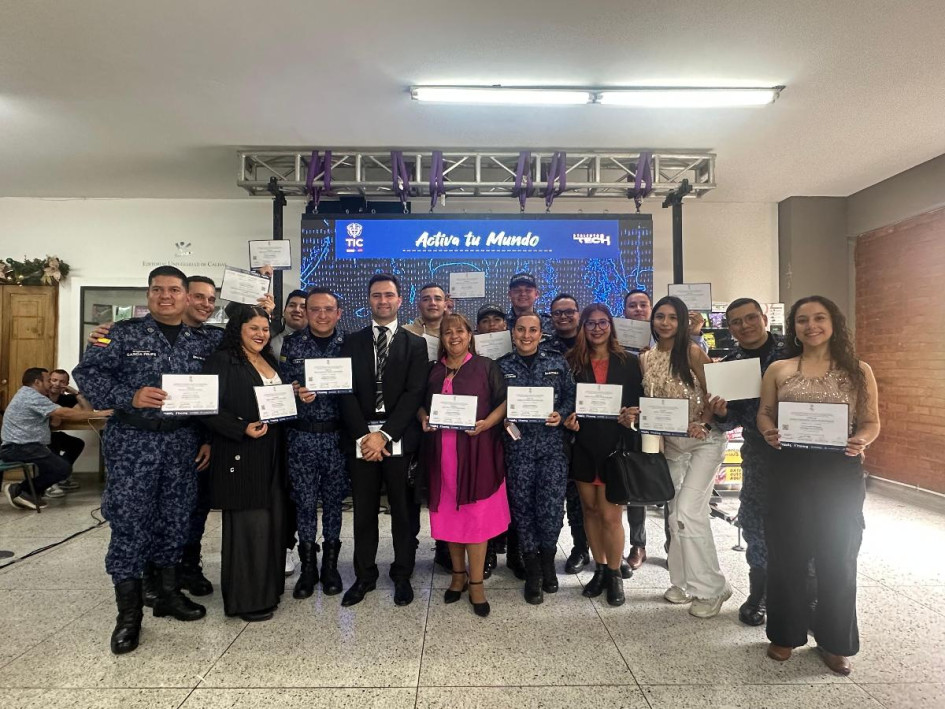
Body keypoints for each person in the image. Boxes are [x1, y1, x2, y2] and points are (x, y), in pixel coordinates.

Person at [73, 265, 216, 654]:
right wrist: (129, 395)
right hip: (134, 442)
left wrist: (206, 439)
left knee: (176, 519)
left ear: (186, 297)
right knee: (130, 524)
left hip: (184, 443)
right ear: (148, 295)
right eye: (157, 290)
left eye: (173, 290)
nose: (165, 296)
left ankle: (168, 595)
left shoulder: (204, 342)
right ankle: (129, 616)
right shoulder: (118, 335)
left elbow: (215, 392)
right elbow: (87, 375)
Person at [757, 295, 880, 676]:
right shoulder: (779, 368)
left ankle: (835, 641)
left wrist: (861, 440)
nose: (811, 326)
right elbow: (764, 413)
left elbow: (871, 421)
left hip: (838, 472)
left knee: (838, 555)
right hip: (787, 469)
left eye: (819, 318)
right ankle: (784, 634)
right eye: (802, 320)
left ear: (833, 323)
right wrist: (768, 432)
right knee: (786, 553)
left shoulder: (858, 371)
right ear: (792, 327)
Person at [339, 274, 428, 607]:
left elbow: (413, 392)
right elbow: (344, 392)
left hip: (397, 438)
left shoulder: (415, 344)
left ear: (400, 300)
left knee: (402, 510)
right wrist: (366, 437)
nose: (383, 301)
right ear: (369, 300)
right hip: (361, 439)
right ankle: (365, 575)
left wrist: (385, 435)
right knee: (363, 512)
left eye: (389, 295)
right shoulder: (350, 342)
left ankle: (402, 574)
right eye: (376, 295)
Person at [641, 295, 730, 619]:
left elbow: (714, 393)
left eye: (672, 317)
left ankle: (713, 588)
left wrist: (704, 421)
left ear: (681, 322)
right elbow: (652, 403)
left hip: (704, 443)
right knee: (674, 514)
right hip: (672, 447)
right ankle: (682, 582)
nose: (664, 323)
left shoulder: (692, 352)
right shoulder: (647, 357)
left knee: (689, 512)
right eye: (660, 316)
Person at [200, 305, 289, 622]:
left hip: (274, 451)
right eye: (254, 328)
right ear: (238, 329)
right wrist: (240, 428)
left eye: (265, 329)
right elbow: (206, 406)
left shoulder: (268, 359)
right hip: (242, 452)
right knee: (249, 527)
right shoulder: (222, 360)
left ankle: (268, 590)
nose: (261, 334)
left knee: (271, 523)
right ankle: (247, 600)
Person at [420, 313, 510, 618]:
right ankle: (457, 575)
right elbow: (421, 404)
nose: (454, 336)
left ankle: (476, 582)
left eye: (460, 331)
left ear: (470, 334)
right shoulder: (434, 371)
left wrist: (486, 424)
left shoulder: (486, 367)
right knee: (450, 518)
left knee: (475, 520)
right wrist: (423, 418)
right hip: (442, 455)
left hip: (476, 451)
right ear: (441, 338)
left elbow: (504, 402)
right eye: (448, 332)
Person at [706, 298, 789, 627]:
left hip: (801, 453)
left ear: (765, 318)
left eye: (751, 317)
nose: (745, 325)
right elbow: (731, 422)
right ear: (729, 327)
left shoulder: (792, 353)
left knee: (802, 522)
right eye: (736, 321)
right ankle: (761, 593)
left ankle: (808, 596)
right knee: (755, 523)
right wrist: (723, 412)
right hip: (759, 453)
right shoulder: (731, 363)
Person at [564, 304, 644, 606]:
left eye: (602, 323)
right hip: (583, 444)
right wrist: (568, 416)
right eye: (591, 324)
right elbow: (565, 400)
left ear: (611, 326)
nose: (597, 328)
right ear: (583, 328)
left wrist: (633, 413)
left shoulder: (629, 362)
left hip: (615, 447)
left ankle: (613, 573)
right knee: (590, 511)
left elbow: (640, 402)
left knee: (611, 515)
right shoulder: (572, 361)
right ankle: (598, 567)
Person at [498, 313, 575, 604]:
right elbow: (494, 403)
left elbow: (570, 395)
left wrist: (563, 413)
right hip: (517, 450)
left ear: (541, 333)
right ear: (512, 332)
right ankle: (532, 568)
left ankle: (548, 562)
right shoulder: (501, 365)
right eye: (520, 330)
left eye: (532, 330)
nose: (526, 335)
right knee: (522, 508)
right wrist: (502, 419)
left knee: (552, 508)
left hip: (551, 448)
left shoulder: (557, 362)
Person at [279, 287, 348, 598]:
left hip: (337, 437)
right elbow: (271, 389)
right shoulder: (288, 345)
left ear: (338, 313)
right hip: (300, 436)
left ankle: (330, 567)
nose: (321, 315)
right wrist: (290, 391)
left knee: (334, 503)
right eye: (314, 309)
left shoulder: (350, 344)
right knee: (305, 504)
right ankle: (308, 568)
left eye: (327, 310)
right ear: (306, 313)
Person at [1, 368, 109, 510]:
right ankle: (19, 490)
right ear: (37, 382)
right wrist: (98, 414)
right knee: (62, 469)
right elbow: (62, 413)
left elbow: (58, 419)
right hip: (19, 446)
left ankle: (29, 493)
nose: (52, 384)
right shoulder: (31, 396)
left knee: (60, 463)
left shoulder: (29, 394)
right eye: (48, 380)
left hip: (27, 445)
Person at [544, 293, 591, 575]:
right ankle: (574, 547)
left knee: (583, 496)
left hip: (590, 428)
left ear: (578, 313)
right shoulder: (545, 346)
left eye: (569, 311)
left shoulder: (592, 342)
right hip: (554, 429)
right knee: (562, 494)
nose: (564, 317)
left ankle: (583, 548)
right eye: (557, 313)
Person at [622, 289, 661, 571]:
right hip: (629, 421)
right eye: (632, 305)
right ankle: (639, 544)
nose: (637, 309)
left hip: (665, 421)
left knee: (667, 481)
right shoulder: (617, 344)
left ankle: (676, 545)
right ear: (624, 312)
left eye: (643, 305)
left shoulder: (666, 341)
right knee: (634, 483)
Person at [47, 368, 92, 494]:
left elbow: (88, 411)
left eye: (62, 381)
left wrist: (76, 393)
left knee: (77, 444)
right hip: (39, 435)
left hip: (53, 433)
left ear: (66, 385)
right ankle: (51, 482)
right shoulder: (40, 396)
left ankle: (61, 476)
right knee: (53, 442)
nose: (57, 384)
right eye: (54, 380)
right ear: (48, 381)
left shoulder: (66, 398)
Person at [269, 289, 308, 359]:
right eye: (292, 305)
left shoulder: (318, 342)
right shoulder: (269, 338)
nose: (297, 310)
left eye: (303, 307)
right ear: (284, 311)